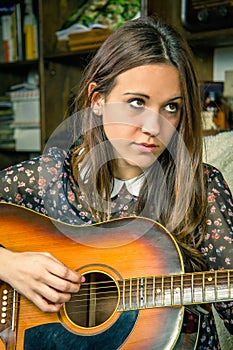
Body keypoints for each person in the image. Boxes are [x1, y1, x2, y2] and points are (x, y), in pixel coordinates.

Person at [0, 15, 232, 349]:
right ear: (98, 100)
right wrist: (11, 265)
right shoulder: (52, 177)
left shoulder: (201, 187)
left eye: (171, 107)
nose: (154, 126)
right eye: (137, 102)